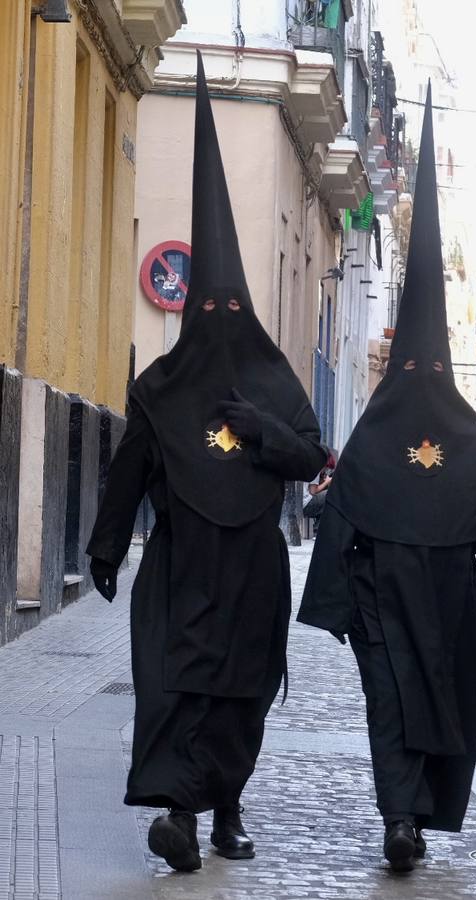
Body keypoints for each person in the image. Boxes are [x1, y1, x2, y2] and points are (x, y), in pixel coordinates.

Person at [86, 51, 325, 875]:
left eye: (232, 306)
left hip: (254, 563)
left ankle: (225, 808)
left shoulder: (272, 379)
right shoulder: (161, 386)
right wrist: (106, 547)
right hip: (184, 563)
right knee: (175, 686)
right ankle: (179, 817)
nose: (221, 319)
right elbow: (129, 468)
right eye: (208, 307)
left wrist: (260, 429)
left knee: (240, 693)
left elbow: (309, 456)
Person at [297, 84, 476, 874]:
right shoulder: (461, 429)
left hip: (397, 601)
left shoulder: (383, 428)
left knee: (399, 706)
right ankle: (404, 818)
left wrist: (333, 602)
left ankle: (406, 815)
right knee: (411, 703)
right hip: (426, 601)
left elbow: (346, 510)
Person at [302, 449, 335, 535]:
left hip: (299, 504)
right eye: (327, 468)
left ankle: (319, 529)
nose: (326, 471)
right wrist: (327, 482)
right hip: (305, 505)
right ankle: (318, 531)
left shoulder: (309, 463)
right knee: (331, 494)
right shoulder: (317, 467)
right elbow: (313, 491)